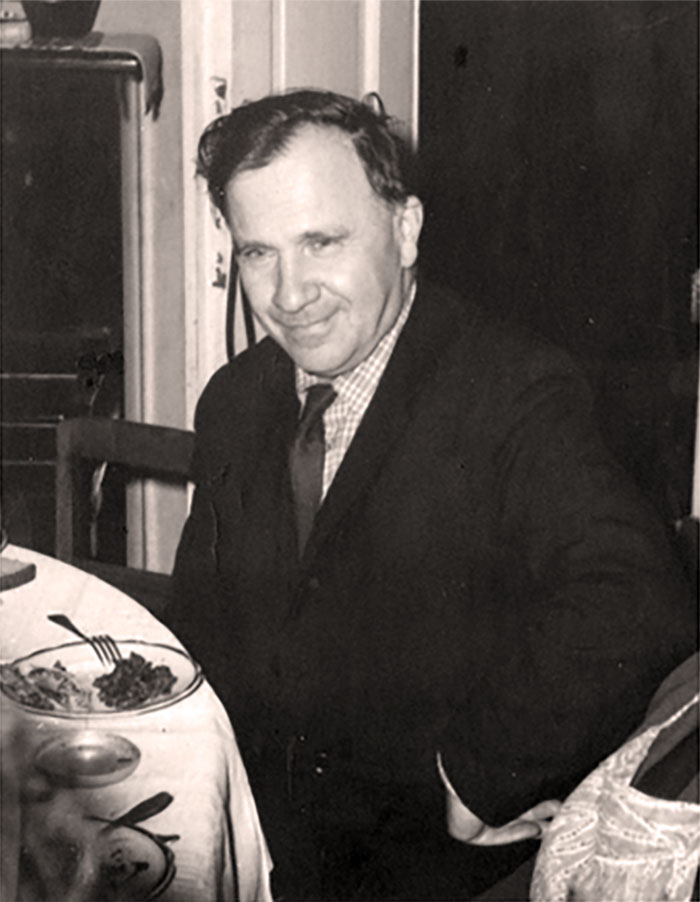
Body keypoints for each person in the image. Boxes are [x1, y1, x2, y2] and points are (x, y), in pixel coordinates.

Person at [167, 89, 696, 901]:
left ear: (405, 229)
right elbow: (203, 620)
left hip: (413, 866)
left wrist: (474, 780)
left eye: (321, 242)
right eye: (257, 253)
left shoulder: (514, 393)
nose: (288, 294)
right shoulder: (234, 400)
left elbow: (637, 596)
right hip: (250, 837)